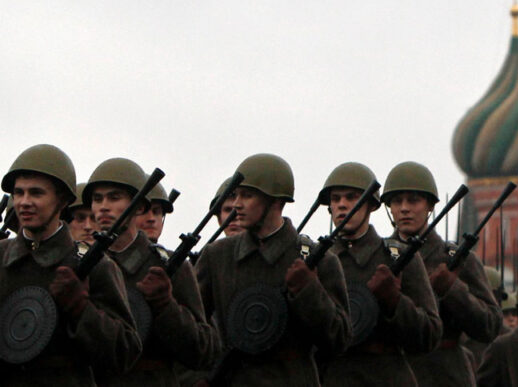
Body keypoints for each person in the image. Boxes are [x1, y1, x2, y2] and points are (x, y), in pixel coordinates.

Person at [196, 153, 351, 384]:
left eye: (247, 196)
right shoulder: (216, 256)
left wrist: (309, 291)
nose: (237, 204)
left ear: (276, 201)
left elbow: (339, 339)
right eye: (236, 195)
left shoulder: (320, 259)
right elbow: (193, 330)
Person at [0, 143, 142, 383]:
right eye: (19, 192)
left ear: (63, 200)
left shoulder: (94, 264)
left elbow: (125, 351)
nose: (24, 202)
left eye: (36, 193)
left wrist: (81, 308)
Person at [84, 157, 220, 385]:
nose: (104, 206)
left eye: (114, 197)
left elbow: (204, 351)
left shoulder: (167, 266)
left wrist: (166, 306)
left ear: (139, 205)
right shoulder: (82, 262)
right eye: (98, 199)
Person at [317, 162, 442, 387]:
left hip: (386, 375)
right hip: (332, 375)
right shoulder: (317, 260)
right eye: (336, 199)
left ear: (371, 205)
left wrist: (395, 301)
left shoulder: (398, 257)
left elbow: (430, 334)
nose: (342, 205)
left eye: (352, 197)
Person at [384, 161, 500, 386]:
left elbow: (490, 326)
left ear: (430, 206)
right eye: (397, 201)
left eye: (413, 200)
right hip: (393, 371)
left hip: (445, 374)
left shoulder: (456, 258)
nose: (404, 208)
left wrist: (452, 289)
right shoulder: (381, 256)